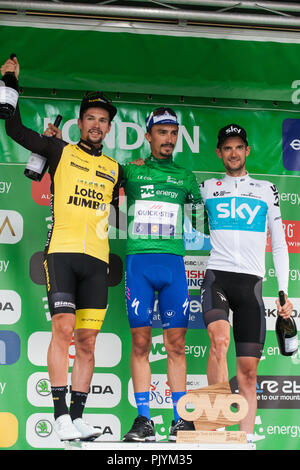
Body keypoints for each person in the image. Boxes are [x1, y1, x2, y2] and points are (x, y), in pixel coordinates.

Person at [1, 55, 122, 441]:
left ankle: (78, 417)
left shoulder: (118, 168)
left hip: (97, 261)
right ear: (80, 122)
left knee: (88, 342)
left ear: (108, 127)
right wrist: (10, 81)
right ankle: (58, 416)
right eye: (91, 118)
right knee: (64, 330)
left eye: (104, 120)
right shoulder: (59, 151)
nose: (97, 125)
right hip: (63, 254)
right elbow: (15, 129)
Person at [200, 123, 293, 441]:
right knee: (219, 341)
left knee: (249, 371)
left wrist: (284, 291)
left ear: (247, 151)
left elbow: (279, 243)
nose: (234, 152)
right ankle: (215, 426)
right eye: (227, 147)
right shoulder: (206, 187)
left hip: (252, 284)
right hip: (218, 277)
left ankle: (243, 439)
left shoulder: (266, 190)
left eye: (239, 146)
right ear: (219, 153)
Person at [121, 107, 207, 442]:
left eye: (173, 133)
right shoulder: (131, 170)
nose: (168, 139)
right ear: (148, 136)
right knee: (140, 343)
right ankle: (144, 420)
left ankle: (179, 420)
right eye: (162, 132)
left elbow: (200, 221)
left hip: (172, 264)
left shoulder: (185, 176)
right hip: (139, 264)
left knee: (177, 344)